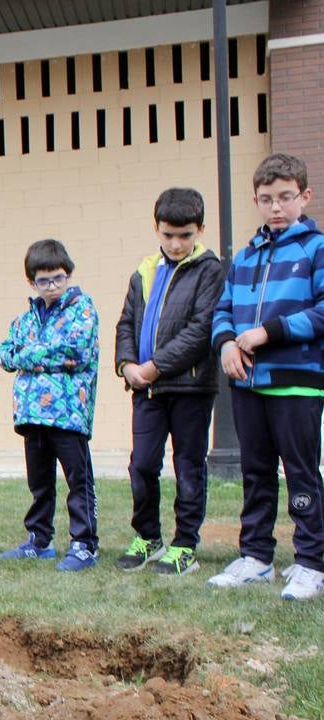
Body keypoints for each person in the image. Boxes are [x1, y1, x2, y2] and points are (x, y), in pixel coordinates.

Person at [208, 152, 324, 602]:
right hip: (248, 385)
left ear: (304, 196)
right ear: (256, 201)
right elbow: (222, 309)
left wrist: (266, 332)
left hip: (296, 382)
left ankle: (311, 561)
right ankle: (255, 557)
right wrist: (226, 345)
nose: (276, 207)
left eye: (285, 197)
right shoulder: (244, 256)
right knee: (255, 473)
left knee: (300, 473)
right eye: (266, 199)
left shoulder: (315, 249)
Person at [114, 188, 223, 576]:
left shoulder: (210, 270)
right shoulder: (144, 270)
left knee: (188, 465)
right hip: (146, 389)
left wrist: (155, 366)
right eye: (168, 235)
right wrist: (127, 364)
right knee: (142, 464)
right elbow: (126, 322)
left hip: (190, 388)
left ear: (200, 231)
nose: (176, 244)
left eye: (185, 235)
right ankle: (148, 537)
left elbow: (200, 330)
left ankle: (184, 545)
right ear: (156, 229)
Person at [0, 240, 100, 571]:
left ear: (68, 274)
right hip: (31, 414)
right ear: (32, 282)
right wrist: (34, 353)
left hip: (68, 414)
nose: (52, 286)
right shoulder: (25, 320)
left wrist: (28, 355)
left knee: (78, 481)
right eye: (44, 280)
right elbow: (3, 353)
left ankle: (84, 544)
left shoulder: (82, 310)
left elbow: (75, 352)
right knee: (40, 483)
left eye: (58, 278)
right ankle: (39, 541)